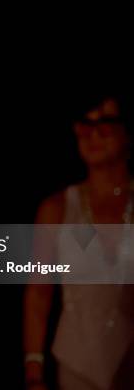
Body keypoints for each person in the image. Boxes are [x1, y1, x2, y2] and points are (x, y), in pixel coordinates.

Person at [23, 93, 134, 390]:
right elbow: (38, 294)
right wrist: (34, 369)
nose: (93, 134)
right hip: (76, 364)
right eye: (85, 124)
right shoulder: (57, 207)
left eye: (106, 123)